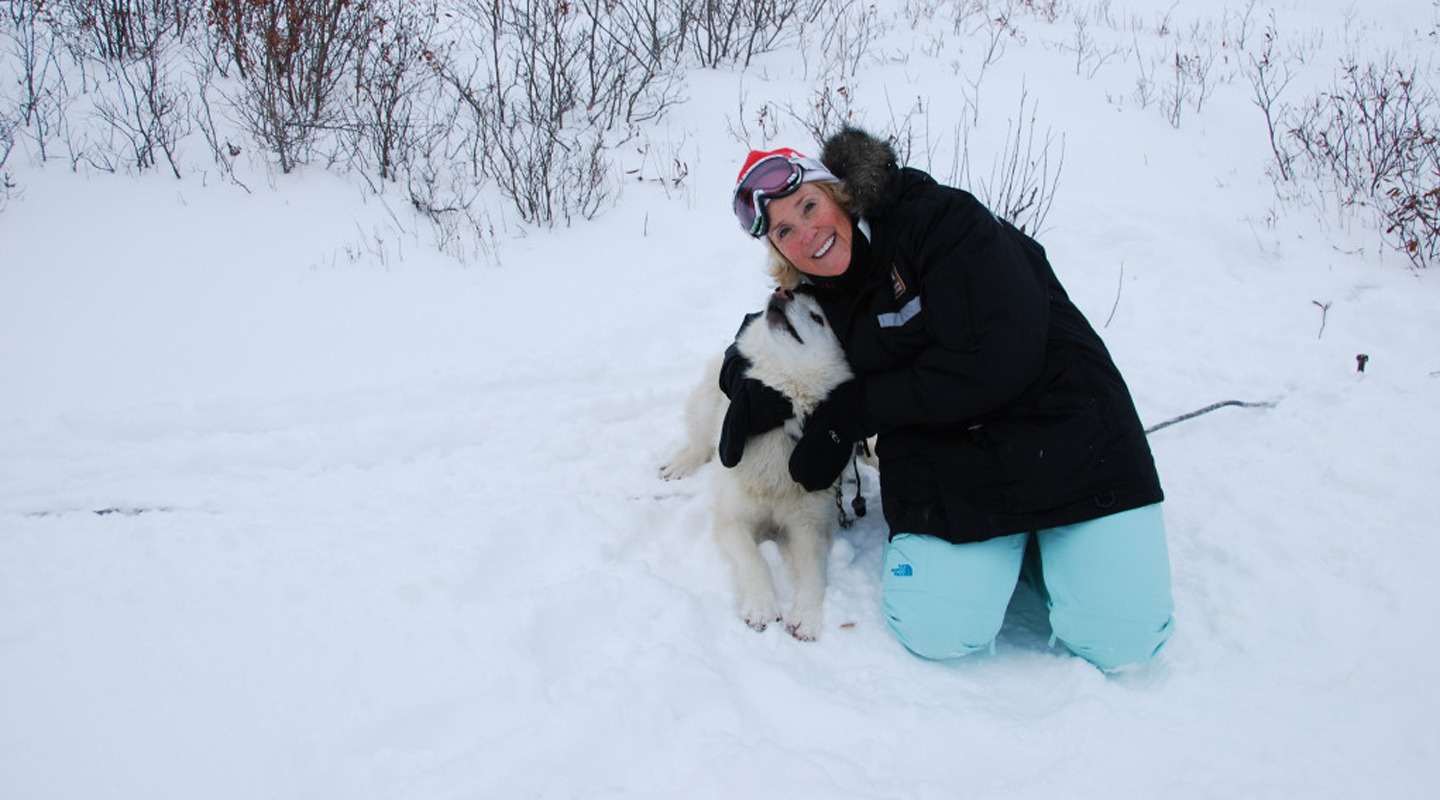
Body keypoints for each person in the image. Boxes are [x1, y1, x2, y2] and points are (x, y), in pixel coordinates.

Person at [718, 128, 1174, 672]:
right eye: (784, 231)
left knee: (1123, 640)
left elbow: (995, 360)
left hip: (1067, 425)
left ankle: (1051, 544)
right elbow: (757, 329)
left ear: (838, 192)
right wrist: (742, 380)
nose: (806, 233)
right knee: (936, 628)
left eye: (809, 206)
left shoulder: (938, 220)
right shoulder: (816, 284)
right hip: (948, 451)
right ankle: (1022, 554)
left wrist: (854, 411)